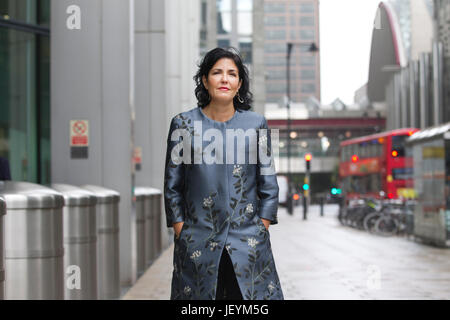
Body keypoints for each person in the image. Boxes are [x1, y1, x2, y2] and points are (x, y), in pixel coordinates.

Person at [164, 47, 284, 300]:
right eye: (217, 72)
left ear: (239, 83)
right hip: (198, 243)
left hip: (248, 243)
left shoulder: (256, 124)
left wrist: (261, 227)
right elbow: (172, 186)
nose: (224, 79)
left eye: (232, 74)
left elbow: (269, 185)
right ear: (205, 80)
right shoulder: (183, 124)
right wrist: (181, 230)